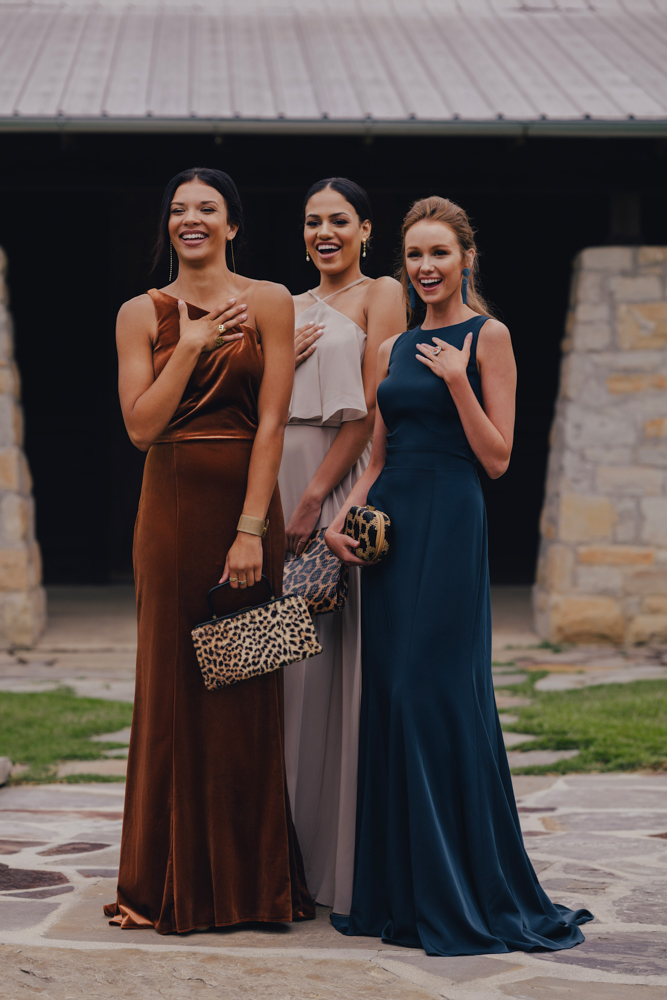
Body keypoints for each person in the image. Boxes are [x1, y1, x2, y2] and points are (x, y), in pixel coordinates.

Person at [325, 196, 593, 954]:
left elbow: (498, 458)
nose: (425, 268)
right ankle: (400, 894)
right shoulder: (391, 348)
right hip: (391, 529)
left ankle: (461, 887)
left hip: (451, 517)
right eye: (414, 256)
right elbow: (376, 455)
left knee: (428, 691)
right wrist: (348, 517)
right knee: (388, 694)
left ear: (465, 258)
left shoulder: (489, 336)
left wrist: (456, 381)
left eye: (439, 253)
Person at [105, 167, 314, 934]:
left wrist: (253, 528)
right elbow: (140, 427)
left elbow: (274, 421)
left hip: (248, 512)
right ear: (168, 225)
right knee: (170, 689)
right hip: (166, 517)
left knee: (246, 690)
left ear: (232, 226)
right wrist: (188, 346)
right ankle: (161, 884)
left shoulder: (269, 301)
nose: (190, 218)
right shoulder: (139, 313)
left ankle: (253, 887)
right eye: (179, 209)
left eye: (208, 209)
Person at [278, 178, 405, 915]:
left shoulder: (378, 292)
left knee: (341, 657)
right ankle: (284, 854)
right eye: (311, 223)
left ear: (363, 229)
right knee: (288, 669)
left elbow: (371, 404)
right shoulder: (285, 307)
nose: (323, 232)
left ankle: (342, 865)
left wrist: (314, 496)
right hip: (279, 482)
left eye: (337, 222)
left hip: (338, 485)